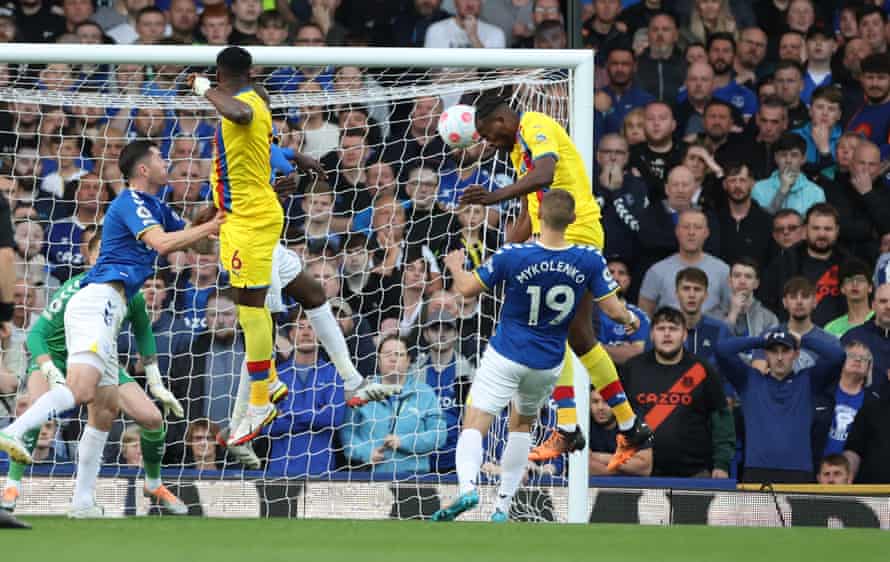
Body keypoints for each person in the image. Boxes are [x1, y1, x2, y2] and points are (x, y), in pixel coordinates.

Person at [0, 139, 222, 510]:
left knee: (104, 410)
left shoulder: (157, 207)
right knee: (81, 391)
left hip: (110, 306)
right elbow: (165, 245)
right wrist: (211, 225)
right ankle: (14, 432)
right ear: (143, 170)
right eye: (160, 157)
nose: (167, 161)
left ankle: (83, 501)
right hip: (97, 300)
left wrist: (216, 220)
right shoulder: (130, 202)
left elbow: (199, 247)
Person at [188, 47, 383, 445]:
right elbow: (262, 145)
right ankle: (349, 379)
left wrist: (202, 87)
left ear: (220, 74)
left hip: (247, 221)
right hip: (253, 218)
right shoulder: (258, 101)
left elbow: (240, 116)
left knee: (252, 311)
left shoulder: (242, 104)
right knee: (309, 294)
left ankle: (258, 400)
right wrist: (296, 155)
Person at [462, 92, 652, 464]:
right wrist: (501, 261)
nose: (488, 143)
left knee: (558, 331)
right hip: (559, 236)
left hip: (575, 233)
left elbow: (546, 173)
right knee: (579, 337)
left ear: (501, 120)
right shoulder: (518, 152)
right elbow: (527, 215)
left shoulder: (535, 125)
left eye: (488, 134)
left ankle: (569, 427)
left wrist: (492, 197)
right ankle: (629, 428)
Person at [433, 190, 644, 522]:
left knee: (475, 421)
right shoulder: (589, 258)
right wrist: (632, 320)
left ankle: (467, 488)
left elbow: (465, 289)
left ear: (539, 217)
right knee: (521, 426)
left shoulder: (513, 255)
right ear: (573, 220)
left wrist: (456, 267)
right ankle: (502, 506)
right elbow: (615, 311)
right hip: (547, 364)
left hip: (507, 354)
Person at [1, 227, 187, 516]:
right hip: (56, 355)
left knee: (150, 418)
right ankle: (11, 486)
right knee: (36, 408)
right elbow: (36, 335)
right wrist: (48, 368)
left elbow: (144, 334)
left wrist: (156, 381)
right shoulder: (76, 288)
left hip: (102, 357)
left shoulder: (131, 293)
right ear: (90, 256)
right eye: (99, 253)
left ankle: (140, 487)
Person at [716, 329, 845, 483]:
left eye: (785, 351)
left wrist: (803, 340)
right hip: (757, 472)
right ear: (765, 354)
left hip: (799, 474)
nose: (779, 357)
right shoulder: (749, 380)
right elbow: (721, 350)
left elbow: (838, 356)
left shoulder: (809, 380)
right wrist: (760, 340)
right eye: (773, 351)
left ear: (796, 354)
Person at [622, 307, 734, 478]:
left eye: (673, 329)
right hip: (640, 473)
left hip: (695, 474)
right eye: (661, 329)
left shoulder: (702, 370)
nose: (667, 334)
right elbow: (616, 417)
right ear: (651, 335)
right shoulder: (632, 369)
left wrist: (722, 464)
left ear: (684, 335)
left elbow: (722, 422)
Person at [340, 336, 446, 475]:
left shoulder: (425, 393)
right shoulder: (361, 392)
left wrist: (404, 442)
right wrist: (366, 453)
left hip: (414, 480)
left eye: (399, 354)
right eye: (387, 354)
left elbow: (439, 435)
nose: (393, 359)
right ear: (378, 359)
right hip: (369, 477)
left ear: (408, 360)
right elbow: (347, 433)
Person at [718, 257, 778, 337]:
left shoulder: (769, 318)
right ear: (729, 281)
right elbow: (715, 345)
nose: (742, 281)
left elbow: (773, 348)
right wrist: (733, 313)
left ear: (756, 284)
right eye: (737, 276)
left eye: (748, 277)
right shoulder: (714, 314)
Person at [824, 259, 874, 337]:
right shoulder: (831, 329)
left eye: (860, 279)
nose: (854, 284)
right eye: (849, 280)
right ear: (842, 289)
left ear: (870, 287)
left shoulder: (882, 320)